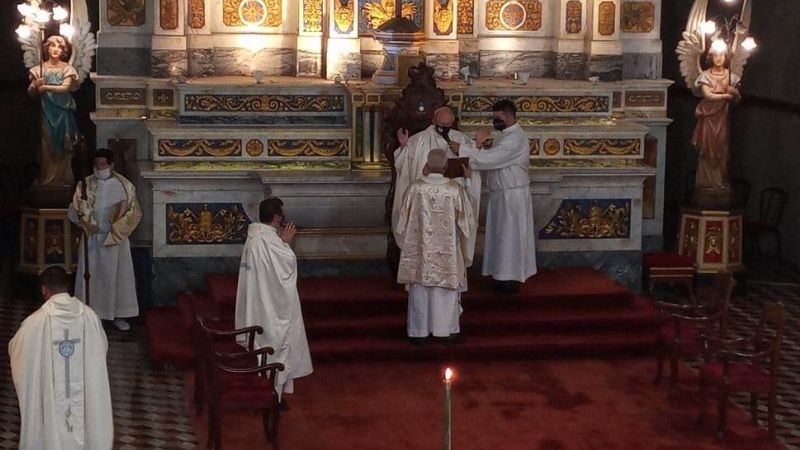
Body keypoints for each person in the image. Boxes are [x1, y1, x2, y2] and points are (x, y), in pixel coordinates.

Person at [9, 266, 113, 450]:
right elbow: (101, 349)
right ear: (68, 286)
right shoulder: (89, 317)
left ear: (44, 290)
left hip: (50, 398)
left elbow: (17, 350)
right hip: (83, 398)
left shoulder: (35, 322)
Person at [449, 99, 537, 292]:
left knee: (510, 238)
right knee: (500, 237)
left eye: (500, 117)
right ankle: (500, 275)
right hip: (501, 194)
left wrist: (464, 149)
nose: (496, 121)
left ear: (510, 115)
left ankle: (510, 279)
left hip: (512, 196)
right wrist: (477, 146)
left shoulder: (516, 139)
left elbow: (491, 160)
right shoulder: (503, 137)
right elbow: (486, 159)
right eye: (495, 117)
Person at [235, 197, 313, 399]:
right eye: (282, 216)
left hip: (259, 301)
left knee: (265, 349)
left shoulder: (254, 237)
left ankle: (272, 390)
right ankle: (272, 395)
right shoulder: (270, 242)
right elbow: (284, 270)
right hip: (272, 308)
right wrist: (286, 244)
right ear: (277, 218)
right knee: (276, 349)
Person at [395, 149, 475, 342]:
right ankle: (446, 331)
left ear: (427, 166)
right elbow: (468, 222)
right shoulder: (455, 189)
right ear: (446, 166)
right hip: (446, 253)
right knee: (445, 291)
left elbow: (401, 221)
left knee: (420, 291)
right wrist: (468, 182)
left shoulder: (415, 188)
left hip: (420, 251)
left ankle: (418, 333)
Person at [394, 105, 481, 260]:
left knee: (450, 240)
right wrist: (403, 148)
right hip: (424, 203)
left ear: (453, 122)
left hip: (451, 202)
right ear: (433, 120)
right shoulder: (418, 139)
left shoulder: (461, 139)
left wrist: (464, 150)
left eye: (448, 125)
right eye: (441, 125)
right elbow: (402, 165)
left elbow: (474, 162)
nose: (444, 128)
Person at [68, 148, 142, 331]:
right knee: (92, 279)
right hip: (93, 239)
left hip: (116, 240)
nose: (100, 168)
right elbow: (74, 210)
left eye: (103, 165)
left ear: (111, 165)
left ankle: (118, 315)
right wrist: (85, 220)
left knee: (118, 278)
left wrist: (116, 228)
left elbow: (134, 212)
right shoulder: (84, 185)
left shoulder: (124, 186)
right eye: (97, 165)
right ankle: (92, 315)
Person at [28, 35, 78, 187]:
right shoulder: (38, 70)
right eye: (52, 46)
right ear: (46, 48)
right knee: (46, 144)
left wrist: (46, 87)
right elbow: (31, 93)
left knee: (64, 145)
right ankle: (47, 178)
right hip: (46, 113)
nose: (55, 49)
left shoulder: (67, 68)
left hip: (62, 113)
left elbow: (65, 87)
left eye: (59, 47)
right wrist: (35, 85)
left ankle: (63, 178)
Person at [691, 47, 741, 200]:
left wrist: (735, 93)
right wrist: (727, 95)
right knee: (706, 150)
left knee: (722, 149)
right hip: (708, 118)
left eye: (722, 55)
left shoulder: (731, 76)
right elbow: (708, 95)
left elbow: (737, 100)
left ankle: (719, 181)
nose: (719, 58)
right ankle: (706, 183)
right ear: (710, 57)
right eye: (715, 55)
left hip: (722, 119)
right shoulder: (705, 76)